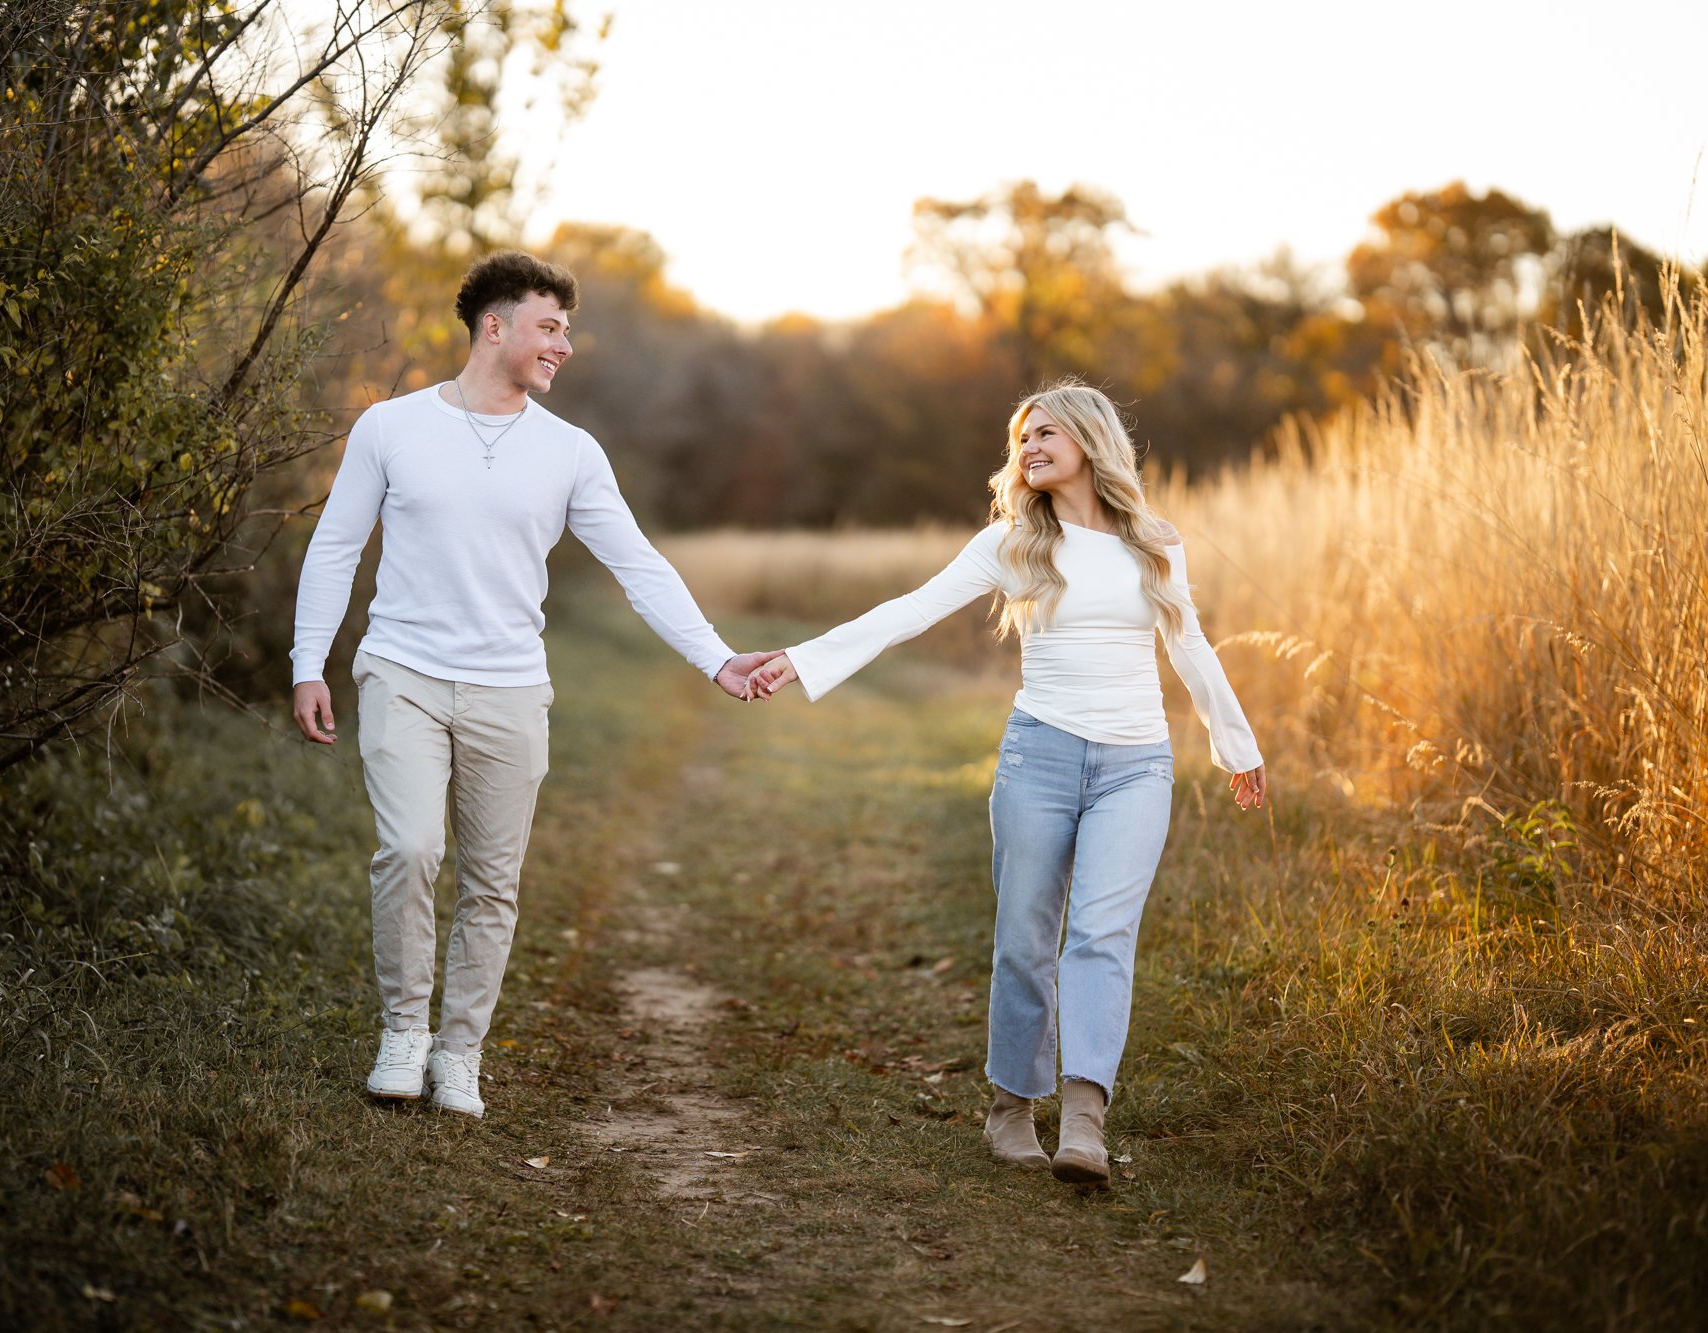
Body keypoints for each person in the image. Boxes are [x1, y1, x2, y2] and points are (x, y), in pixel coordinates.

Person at [290, 251, 775, 1118]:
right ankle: (404, 1030)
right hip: (401, 670)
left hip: (509, 688)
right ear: (495, 326)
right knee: (408, 849)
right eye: (550, 327)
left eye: (566, 330)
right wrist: (307, 662)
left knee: (491, 880)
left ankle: (460, 1050)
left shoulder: (571, 453)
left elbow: (639, 564)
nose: (565, 346)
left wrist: (715, 655)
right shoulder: (391, 427)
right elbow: (334, 548)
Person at [746, 380, 1265, 1185]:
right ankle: (1012, 1106)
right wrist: (802, 660)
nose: (1029, 448)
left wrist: (1237, 745)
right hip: (1041, 757)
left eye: (1045, 432)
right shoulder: (1013, 544)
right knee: (1026, 936)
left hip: (1137, 764)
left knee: (1101, 935)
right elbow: (908, 611)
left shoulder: (1155, 542)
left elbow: (1189, 644)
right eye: (1022, 438)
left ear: (1090, 440)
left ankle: (1086, 1118)